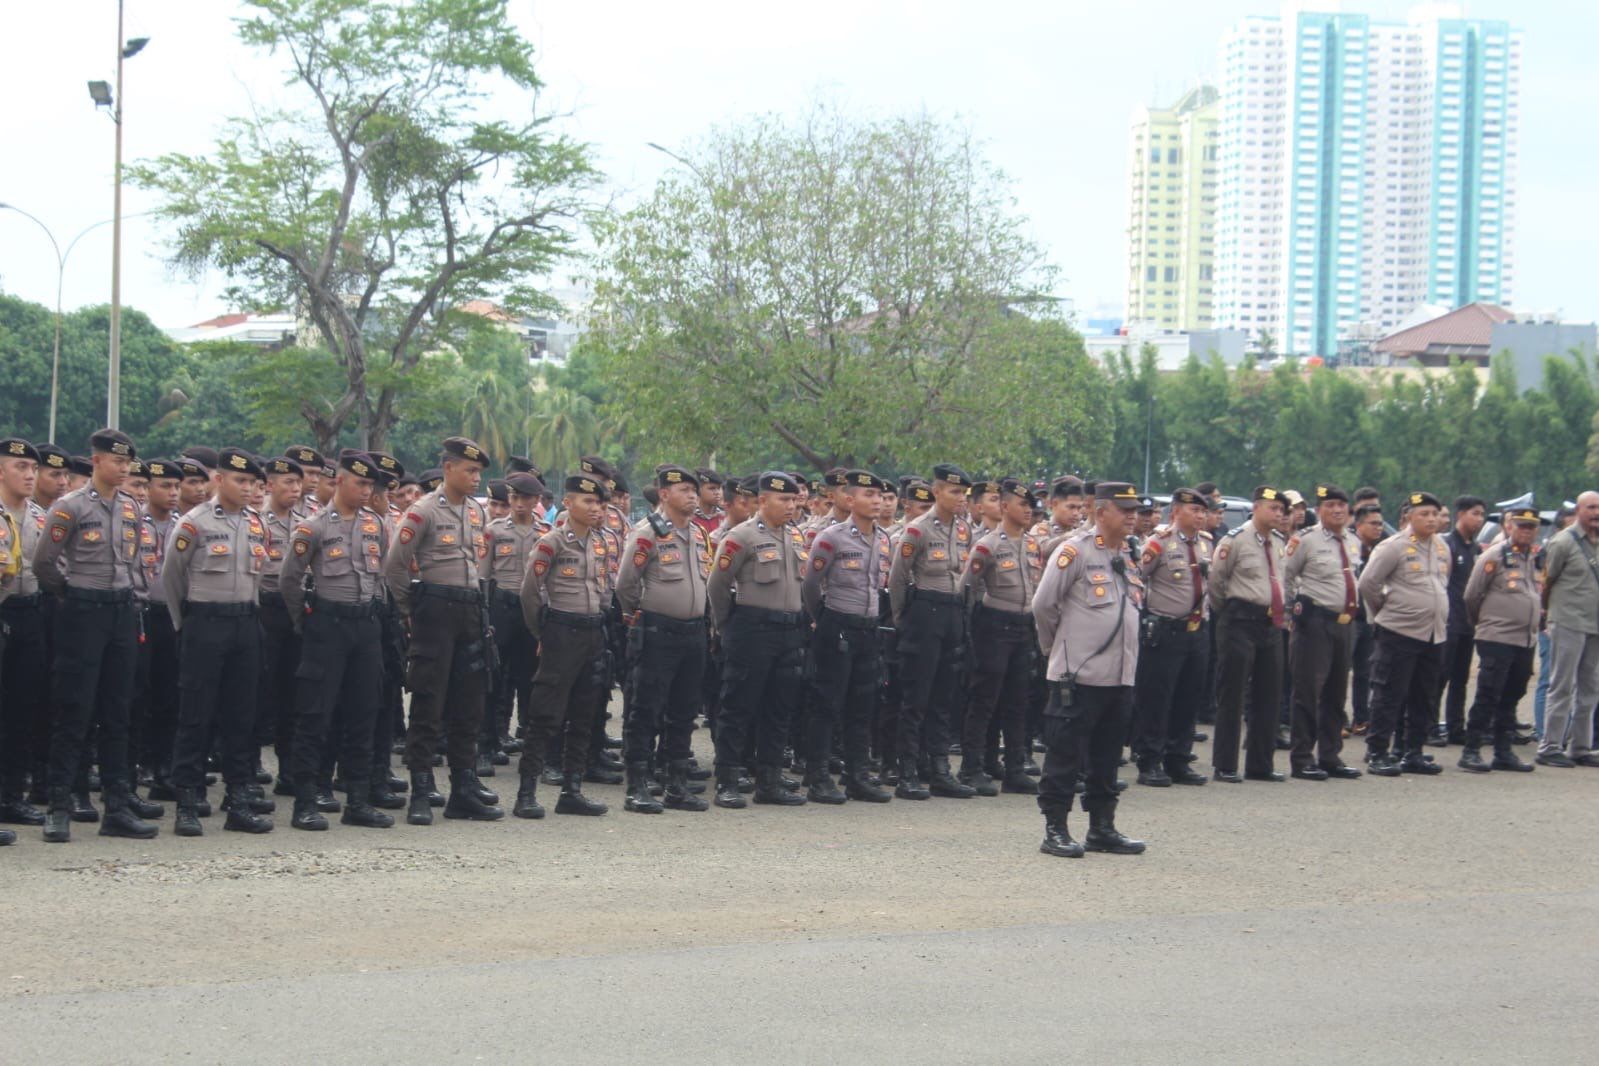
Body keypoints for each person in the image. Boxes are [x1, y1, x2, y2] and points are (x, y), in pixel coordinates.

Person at [31, 430, 159, 842]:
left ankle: (117, 808)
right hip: (83, 611)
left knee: (118, 711)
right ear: (97, 460)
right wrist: (72, 594)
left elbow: (134, 563)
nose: (123, 469)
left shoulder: (131, 507)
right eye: (117, 461)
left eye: (128, 463)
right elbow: (45, 564)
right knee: (74, 710)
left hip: (122, 611)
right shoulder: (70, 506)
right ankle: (59, 807)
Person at [383, 437, 502, 824]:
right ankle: (421, 789)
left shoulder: (476, 511)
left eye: (479, 472)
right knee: (428, 703)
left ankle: (463, 788)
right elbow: (395, 566)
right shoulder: (423, 511)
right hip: (435, 610)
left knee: (469, 704)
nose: (476, 478)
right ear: (448, 469)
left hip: (470, 609)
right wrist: (411, 611)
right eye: (470, 470)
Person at [278, 451, 394, 830]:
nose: (366, 491)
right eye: (360, 483)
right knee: (315, 715)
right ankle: (306, 801)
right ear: (340, 481)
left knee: (364, 712)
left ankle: (357, 801)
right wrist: (306, 621)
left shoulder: (376, 524)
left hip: (365, 626)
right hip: (327, 625)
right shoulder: (313, 527)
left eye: (370, 485)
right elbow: (289, 580)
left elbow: (381, 576)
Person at [163, 448, 276, 836]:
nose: (247, 488)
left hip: (245, 623)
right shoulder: (194, 523)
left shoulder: (256, 523)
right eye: (239, 480)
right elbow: (172, 578)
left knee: (241, 717)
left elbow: (258, 577)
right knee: (195, 716)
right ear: (219, 480)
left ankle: (239, 801)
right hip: (204, 624)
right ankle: (187, 802)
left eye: (252, 482)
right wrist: (187, 625)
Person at [1032, 481, 1146, 859]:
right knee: (1065, 755)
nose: (1132, 517)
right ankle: (1056, 829)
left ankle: (1102, 827)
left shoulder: (1128, 553)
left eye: (1134, 510)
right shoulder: (1075, 551)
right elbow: (1043, 605)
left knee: (1107, 756)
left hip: (1119, 675)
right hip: (1078, 675)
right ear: (1101, 512)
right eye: (1124, 510)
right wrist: (1057, 651)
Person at [706, 472, 816, 807]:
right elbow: (717, 585)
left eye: (794, 499)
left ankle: (769, 781)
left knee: (779, 709)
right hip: (752, 630)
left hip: (789, 631)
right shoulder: (742, 536)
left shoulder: (794, 535)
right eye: (784, 499)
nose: (791, 505)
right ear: (763, 500)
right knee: (738, 708)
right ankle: (728, 780)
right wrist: (726, 626)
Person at [513, 475, 613, 819]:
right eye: (588, 501)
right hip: (561, 630)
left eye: (598, 502)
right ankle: (526, 793)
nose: (595, 508)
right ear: (568, 504)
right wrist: (542, 632)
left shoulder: (600, 543)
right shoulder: (552, 542)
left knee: (584, 715)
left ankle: (572, 791)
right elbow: (529, 592)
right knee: (544, 714)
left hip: (592, 632)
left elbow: (604, 589)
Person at [616, 466, 712, 813]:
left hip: (693, 632)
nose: (692, 496)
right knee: (646, 710)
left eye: (694, 490)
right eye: (684, 490)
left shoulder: (698, 533)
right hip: (658, 631)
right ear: (664, 494)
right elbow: (626, 584)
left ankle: (676, 785)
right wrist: (639, 616)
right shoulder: (647, 533)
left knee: (684, 712)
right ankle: (637, 785)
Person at [801, 469, 894, 804]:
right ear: (850, 499)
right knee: (826, 704)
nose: (877, 501)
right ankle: (818, 777)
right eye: (868, 495)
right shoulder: (832, 538)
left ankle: (858, 777)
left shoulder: (883, 538)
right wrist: (823, 619)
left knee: (862, 706)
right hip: (837, 624)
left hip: (869, 628)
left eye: (880, 495)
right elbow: (811, 585)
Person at [887, 463, 977, 799]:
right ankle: (908, 771)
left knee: (944, 697)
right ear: (936, 492)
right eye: (954, 491)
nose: (960, 498)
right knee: (916, 697)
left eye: (963, 493)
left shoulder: (964, 529)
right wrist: (902, 618)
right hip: (925, 612)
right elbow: (898, 577)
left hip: (953, 612)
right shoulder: (918, 529)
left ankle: (939, 770)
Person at [959, 478, 1044, 796]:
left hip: (1023, 626)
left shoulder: (1032, 544)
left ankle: (1014, 770)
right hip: (994, 626)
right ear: (1005, 507)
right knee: (984, 699)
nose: (1028, 511)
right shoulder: (988, 545)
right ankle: (971, 767)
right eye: (1023, 505)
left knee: (1018, 701)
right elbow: (967, 588)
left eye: (1031, 506)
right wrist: (972, 628)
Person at [1358, 492, 1451, 777]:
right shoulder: (1394, 546)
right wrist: (1386, 612)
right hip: (1398, 631)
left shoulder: (1441, 547)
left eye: (1434, 514)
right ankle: (1378, 752)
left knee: (1424, 696)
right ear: (1409, 517)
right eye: (1424, 514)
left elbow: (1442, 583)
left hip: (1433, 634)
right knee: (1389, 694)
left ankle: (1413, 751)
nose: (1431, 519)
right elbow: (1368, 583)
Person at [1130, 487, 1212, 788]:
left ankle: (1178, 759)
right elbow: (1135, 578)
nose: (1200, 516)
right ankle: (1150, 760)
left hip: (1196, 630)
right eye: (1195, 510)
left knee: (1188, 698)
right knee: (1157, 699)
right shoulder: (1159, 542)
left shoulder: (1206, 543)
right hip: (1166, 630)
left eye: (1203, 511)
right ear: (1176, 511)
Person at [1283, 484, 1364, 780]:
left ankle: (1330, 755)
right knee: (1308, 691)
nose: (1337, 510)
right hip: (1314, 622)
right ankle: (1302, 758)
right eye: (1330, 505)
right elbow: (1285, 574)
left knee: (1336, 692)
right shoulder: (1305, 540)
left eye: (1342, 505)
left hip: (1344, 623)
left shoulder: (1353, 541)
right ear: (1319, 511)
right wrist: (1290, 612)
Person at [1208, 486, 1289, 783]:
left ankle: (1260, 764)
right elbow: (1216, 582)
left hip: (1270, 623)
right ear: (1256, 508)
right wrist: (1229, 613)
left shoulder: (1278, 542)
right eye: (1273, 508)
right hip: (1239, 620)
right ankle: (1225, 764)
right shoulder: (1235, 540)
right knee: (1232, 694)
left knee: (1269, 694)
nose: (1278, 514)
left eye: (1281, 510)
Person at [1458, 506, 1540, 773]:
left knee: (1512, 695)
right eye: (1521, 525)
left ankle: (1503, 752)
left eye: (1531, 527)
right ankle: (1471, 751)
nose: (1526, 531)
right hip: (1497, 637)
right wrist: (1484, 624)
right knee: (1488, 694)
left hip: (1524, 640)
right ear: (1509, 527)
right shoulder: (1494, 555)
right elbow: (1472, 595)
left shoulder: (1533, 558)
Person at [483, 471, 548, 774]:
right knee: (493, 679)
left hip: (531, 611)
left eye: (525, 498)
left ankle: (532, 751)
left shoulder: (546, 533)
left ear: (536, 501)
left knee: (531, 680)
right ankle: (486, 745)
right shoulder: (493, 531)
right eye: (514, 497)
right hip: (502, 607)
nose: (519, 503)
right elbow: (483, 575)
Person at [0, 439, 48, 830]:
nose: (30, 475)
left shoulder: (41, 518)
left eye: (33, 468)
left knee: (22, 710)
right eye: (20, 467)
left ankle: (12, 797)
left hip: (30, 613)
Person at [1535, 490, 1599, 768]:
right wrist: (1547, 615)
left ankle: (1580, 747)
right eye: (1591, 507)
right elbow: (1547, 581)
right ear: (1579, 510)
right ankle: (1550, 746)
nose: (1596, 513)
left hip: (1594, 624)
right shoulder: (1563, 542)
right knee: (1561, 685)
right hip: (1568, 621)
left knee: (1590, 688)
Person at [257, 457, 305, 795]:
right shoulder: (256, 522)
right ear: (270, 485)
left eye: (298, 483)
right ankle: (249, 769)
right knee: (259, 692)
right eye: (288, 482)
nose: (295, 489)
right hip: (266, 607)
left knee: (293, 693)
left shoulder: (305, 524)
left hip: (296, 610)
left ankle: (289, 769)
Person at [1435, 495, 1486, 745]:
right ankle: (1429, 725)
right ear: (1461, 515)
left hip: (1467, 623)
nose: (1480, 519)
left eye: (1482, 514)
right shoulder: (1447, 545)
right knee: (1439, 676)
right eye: (1475, 513)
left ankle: (1455, 727)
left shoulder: (1475, 549)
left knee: (1460, 678)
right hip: (1448, 621)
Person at [1349, 503, 1387, 735]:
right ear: (1359, 525)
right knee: (1337, 671)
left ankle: (1361, 718)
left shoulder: (1380, 550)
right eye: (1373, 523)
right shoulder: (1348, 546)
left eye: (1380, 524)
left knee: (1365, 672)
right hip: (1349, 618)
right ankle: (1335, 718)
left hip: (1369, 618)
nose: (1378, 528)